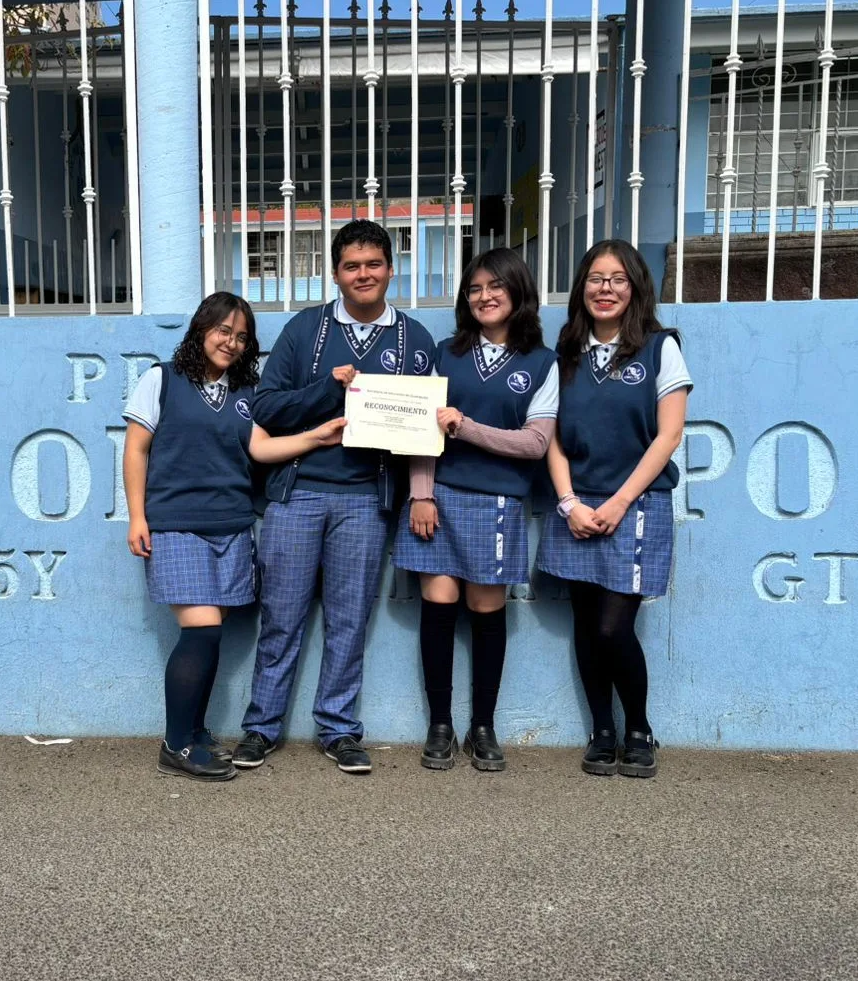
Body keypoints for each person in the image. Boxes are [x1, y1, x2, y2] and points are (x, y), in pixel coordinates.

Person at [231, 220, 438, 775]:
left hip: (366, 501)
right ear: (336, 272)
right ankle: (261, 727)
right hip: (297, 494)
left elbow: (422, 433)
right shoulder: (307, 331)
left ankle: (339, 730)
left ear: (391, 269)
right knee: (282, 615)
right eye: (352, 265)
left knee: (350, 619)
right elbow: (267, 408)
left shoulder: (414, 339)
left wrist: (424, 460)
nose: (363, 274)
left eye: (373, 264)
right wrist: (329, 391)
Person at [124, 291, 346, 781]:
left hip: (231, 526)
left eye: (242, 337)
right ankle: (176, 744)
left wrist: (317, 437)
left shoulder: (243, 395)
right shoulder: (161, 379)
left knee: (212, 635)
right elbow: (136, 449)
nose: (231, 342)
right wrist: (137, 517)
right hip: (177, 526)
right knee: (201, 630)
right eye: (224, 330)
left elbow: (262, 449)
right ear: (202, 328)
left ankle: (196, 730)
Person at [394, 248, 557, 772]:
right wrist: (421, 492)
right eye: (475, 289)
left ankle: (482, 726)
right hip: (437, 500)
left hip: (498, 505)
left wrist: (466, 428)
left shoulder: (543, 362)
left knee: (487, 612)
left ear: (518, 292)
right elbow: (421, 430)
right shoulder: (445, 354)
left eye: (496, 287)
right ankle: (440, 725)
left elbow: (534, 444)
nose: (485, 297)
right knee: (438, 608)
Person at [537, 239, 692, 780]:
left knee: (611, 627)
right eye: (595, 278)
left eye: (618, 278)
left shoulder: (659, 348)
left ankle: (639, 729)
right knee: (584, 623)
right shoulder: (566, 355)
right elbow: (551, 439)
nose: (605, 289)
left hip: (637, 505)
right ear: (582, 288)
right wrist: (568, 502)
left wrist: (622, 502)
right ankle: (602, 731)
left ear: (636, 288)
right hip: (576, 506)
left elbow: (669, 435)